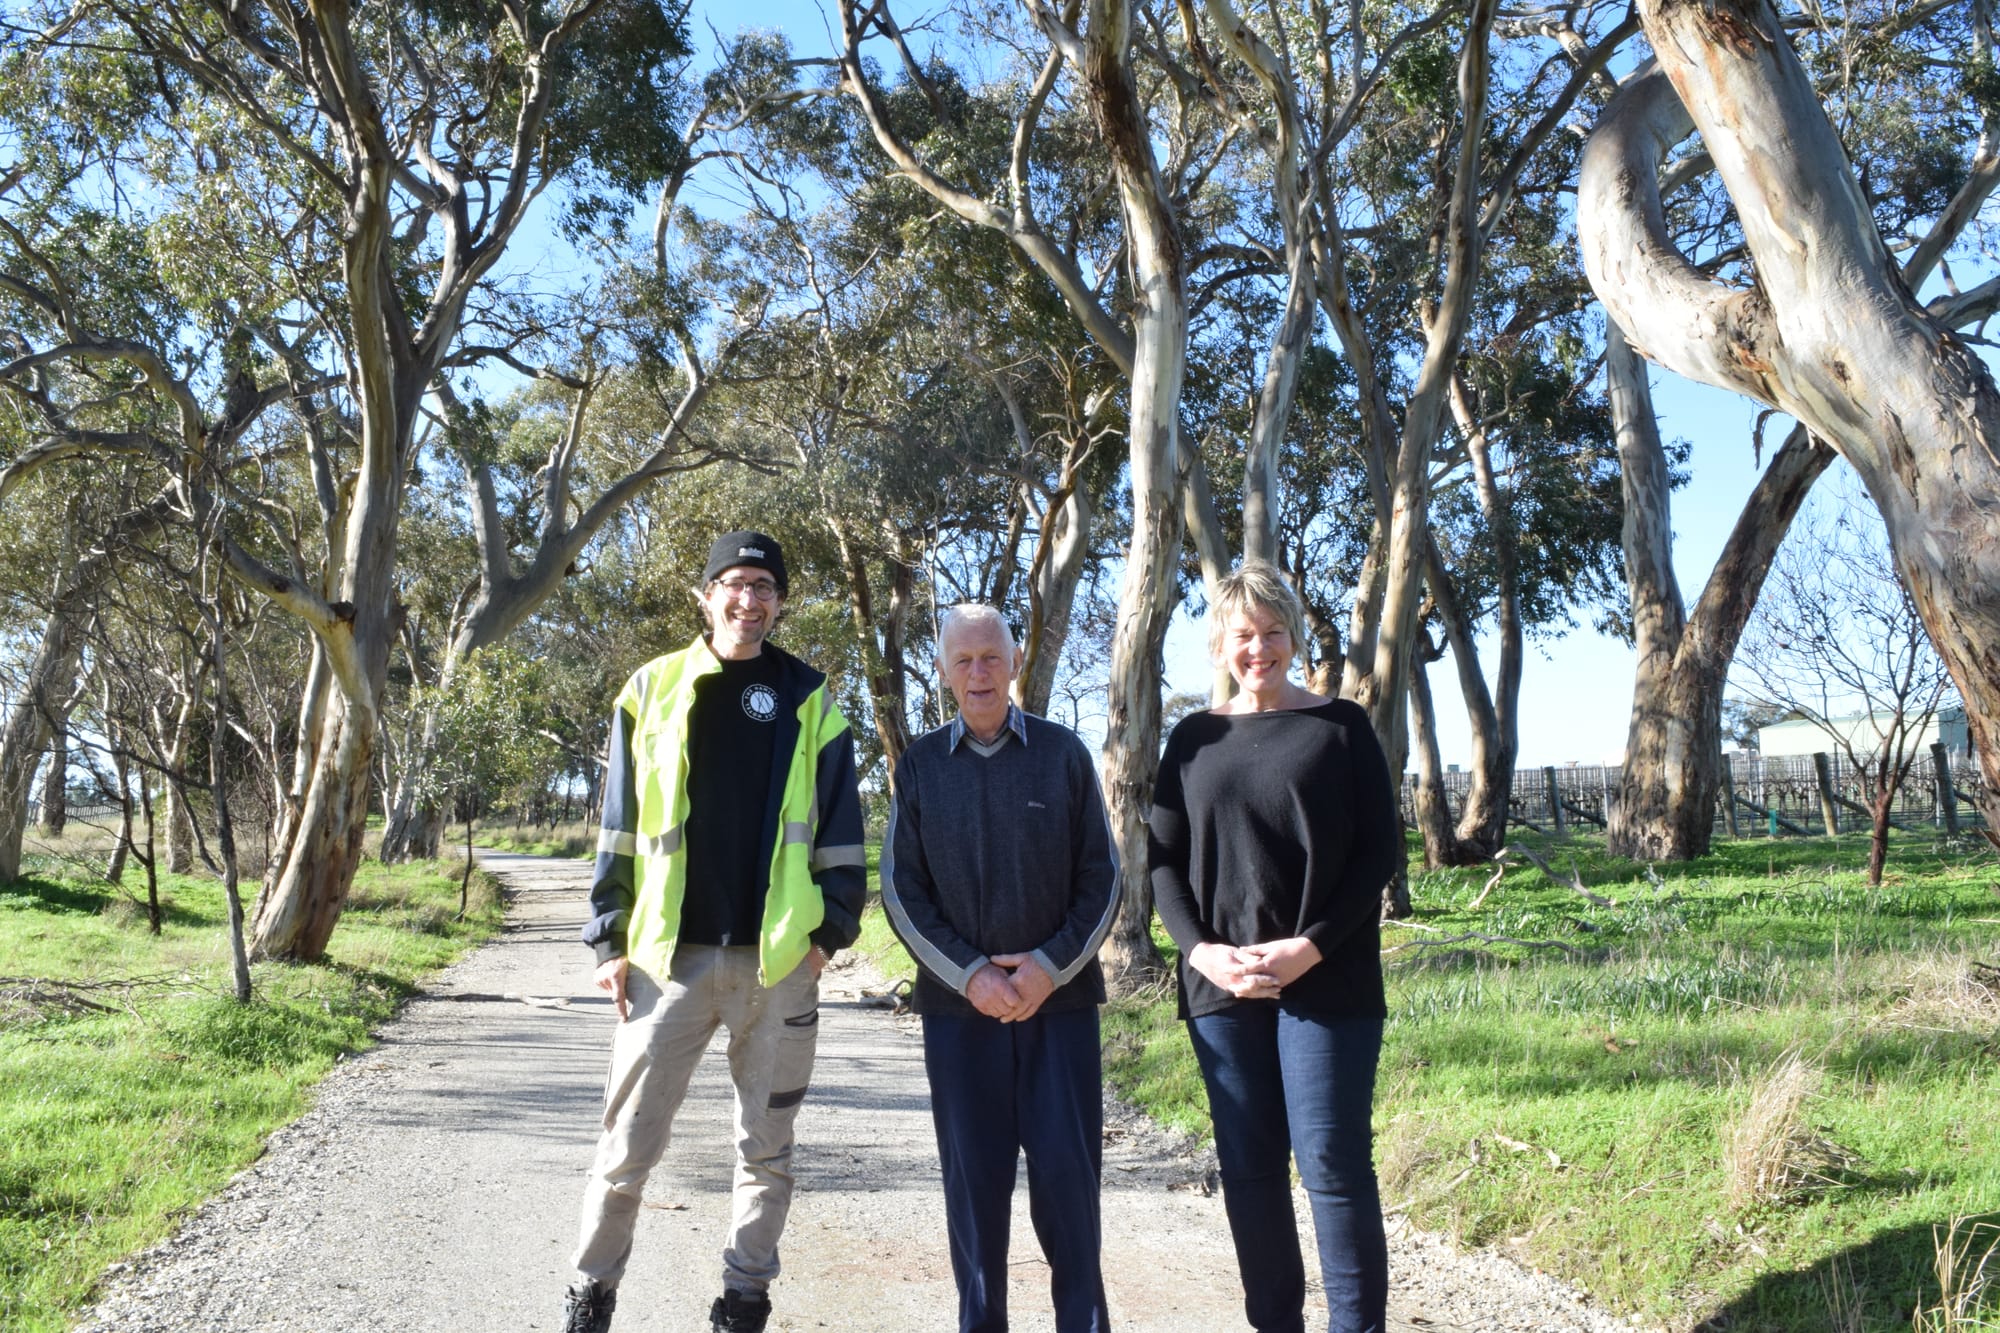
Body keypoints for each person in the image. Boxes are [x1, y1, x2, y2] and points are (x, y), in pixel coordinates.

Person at [560, 530, 867, 1333]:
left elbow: (841, 832)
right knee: (626, 1148)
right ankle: (590, 1297)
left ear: (780, 602)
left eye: (764, 586)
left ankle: (743, 1302)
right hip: (669, 962)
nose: (748, 599)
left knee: (766, 1152)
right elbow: (619, 826)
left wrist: (827, 936)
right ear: (706, 595)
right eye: (734, 583)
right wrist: (610, 939)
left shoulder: (811, 697)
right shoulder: (651, 688)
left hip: (778, 965)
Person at [1147, 562, 1403, 1333]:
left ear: (1293, 636)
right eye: (1243, 635)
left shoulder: (1341, 728)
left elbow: (1378, 854)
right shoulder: (1192, 740)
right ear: (1220, 644)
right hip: (1223, 990)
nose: (1258, 648)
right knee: (1250, 1169)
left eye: (1273, 632)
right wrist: (1203, 954)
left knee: (1332, 1162)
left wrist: (1308, 948)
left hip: (1329, 981)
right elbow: (1162, 864)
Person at [881, 604, 1120, 1333]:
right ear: (943, 670)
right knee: (975, 1197)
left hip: (1060, 1011)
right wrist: (972, 975)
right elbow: (901, 891)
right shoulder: (920, 766)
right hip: (960, 1021)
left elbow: (1104, 878)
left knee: (1070, 1195)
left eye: (992, 657)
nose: (979, 673)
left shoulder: (1063, 753)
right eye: (964, 660)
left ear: (1016, 661)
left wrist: (1046, 968)